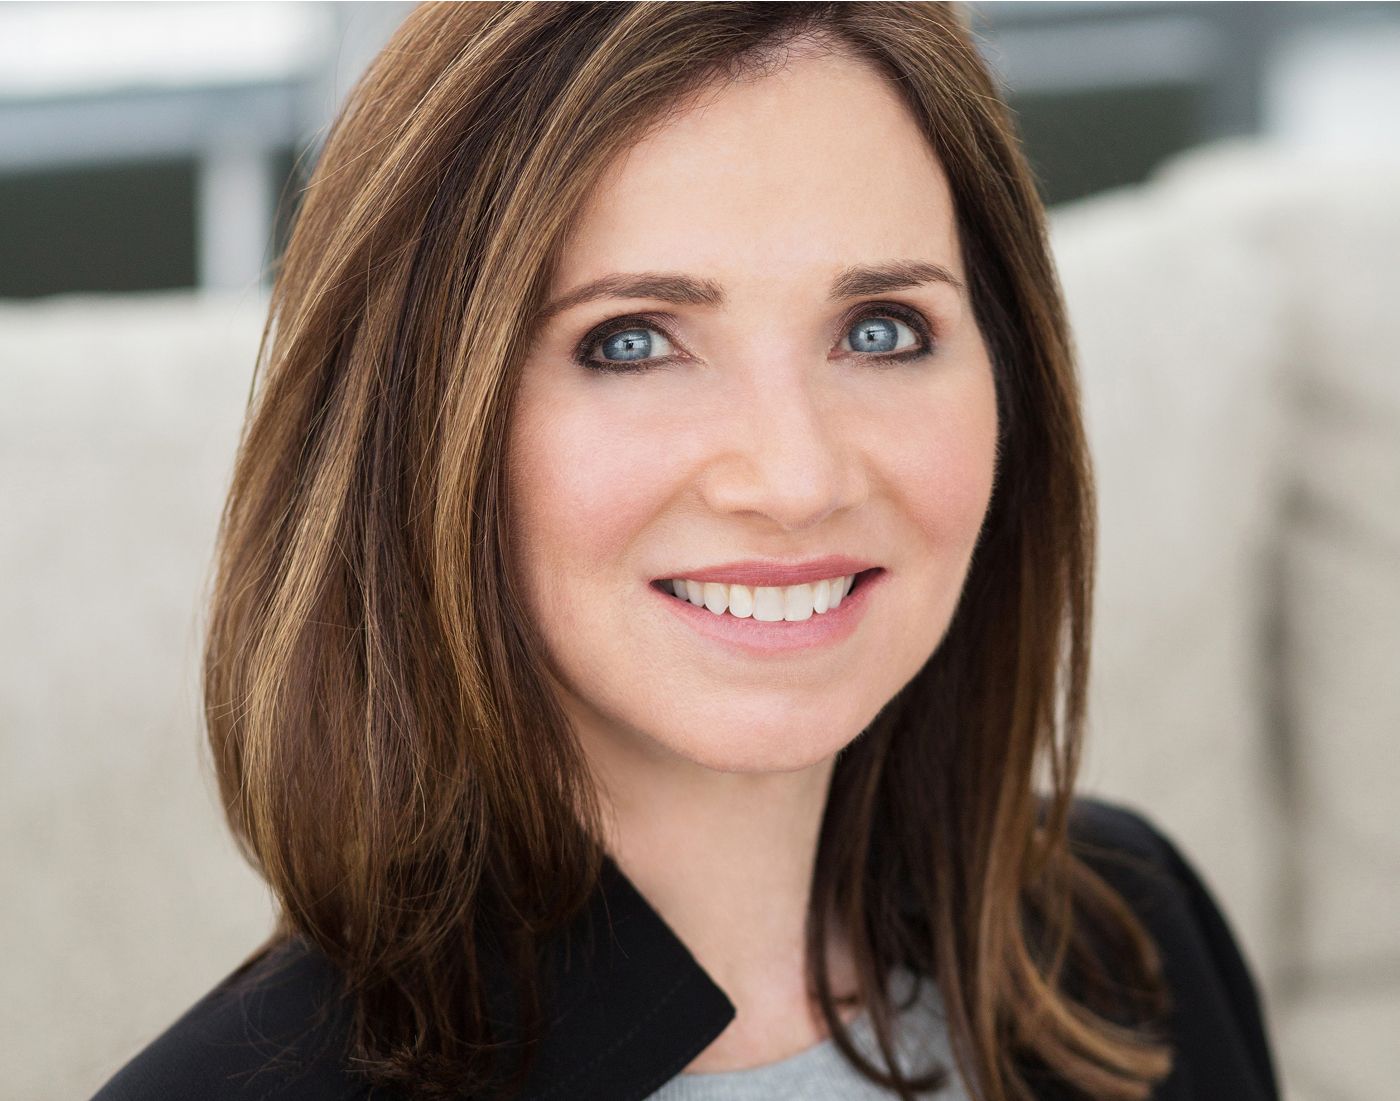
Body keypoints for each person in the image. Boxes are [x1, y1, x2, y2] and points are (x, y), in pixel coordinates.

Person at [91, 3, 1282, 1100]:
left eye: (880, 329)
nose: (795, 478)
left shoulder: (1127, 934)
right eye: (631, 342)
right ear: (418, 428)